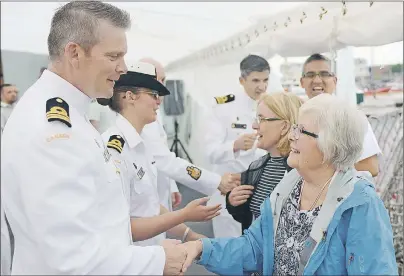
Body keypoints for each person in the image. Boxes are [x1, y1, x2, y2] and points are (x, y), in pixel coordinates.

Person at [1, 2, 186, 274]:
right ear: (74, 53)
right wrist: (158, 260)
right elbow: (71, 258)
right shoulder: (53, 130)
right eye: (114, 57)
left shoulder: (72, 113)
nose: (123, 68)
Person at [180, 93, 398, 276]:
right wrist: (202, 248)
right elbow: (255, 248)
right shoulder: (287, 188)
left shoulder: (360, 203)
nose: (292, 137)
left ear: (329, 145)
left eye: (300, 131)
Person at [100, 62, 221, 246]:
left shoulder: (141, 145)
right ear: (130, 97)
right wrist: (184, 215)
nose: (159, 101)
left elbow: (150, 206)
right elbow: (124, 228)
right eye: (153, 95)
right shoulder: (114, 150)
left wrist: (189, 234)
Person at [138, 58, 241, 211]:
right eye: (155, 81)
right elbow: (165, 160)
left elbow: (162, 153)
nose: (160, 88)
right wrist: (216, 181)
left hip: (160, 193)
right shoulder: (141, 119)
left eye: (163, 80)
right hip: (146, 202)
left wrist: (171, 186)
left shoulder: (154, 112)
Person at [203, 54, 282, 238]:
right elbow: (210, 152)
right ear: (241, 80)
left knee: (260, 245)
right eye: (255, 80)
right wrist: (234, 146)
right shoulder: (222, 107)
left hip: (262, 188)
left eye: (265, 80)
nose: (261, 86)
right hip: (231, 187)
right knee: (228, 248)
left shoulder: (272, 105)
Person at [226, 92, 303, 232]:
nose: (255, 125)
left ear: (284, 127)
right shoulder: (256, 167)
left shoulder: (301, 171)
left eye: (261, 119)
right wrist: (233, 202)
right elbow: (247, 219)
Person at [300, 53, 381, 177]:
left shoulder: (350, 117)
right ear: (302, 82)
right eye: (310, 75)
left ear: (335, 80)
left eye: (324, 74)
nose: (317, 80)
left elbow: (370, 167)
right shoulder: (296, 117)